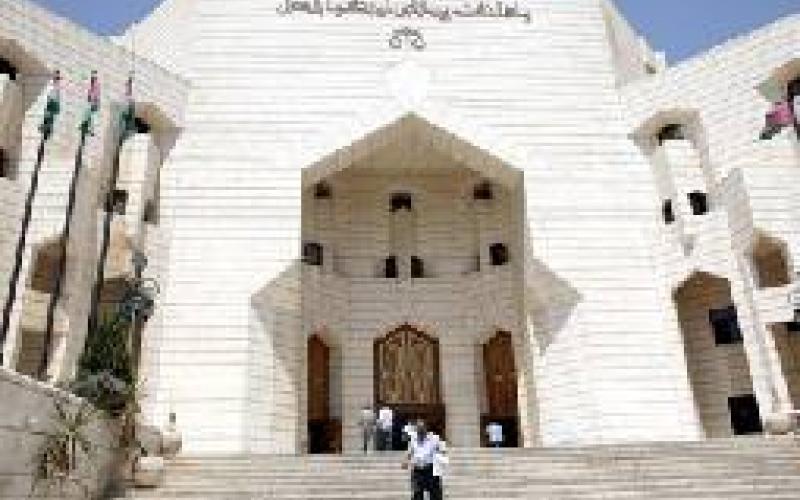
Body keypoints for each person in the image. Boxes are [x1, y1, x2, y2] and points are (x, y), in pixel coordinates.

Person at [403, 420, 442, 500]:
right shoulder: (413, 439)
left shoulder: (433, 438)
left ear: (425, 429)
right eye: (418, 429)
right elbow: (409, 452)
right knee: (417, 492)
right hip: (418, 470)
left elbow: (440, 450)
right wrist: (405, 461)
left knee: (435, 493)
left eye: (421, 428)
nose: (420, 431)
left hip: (430, 470)